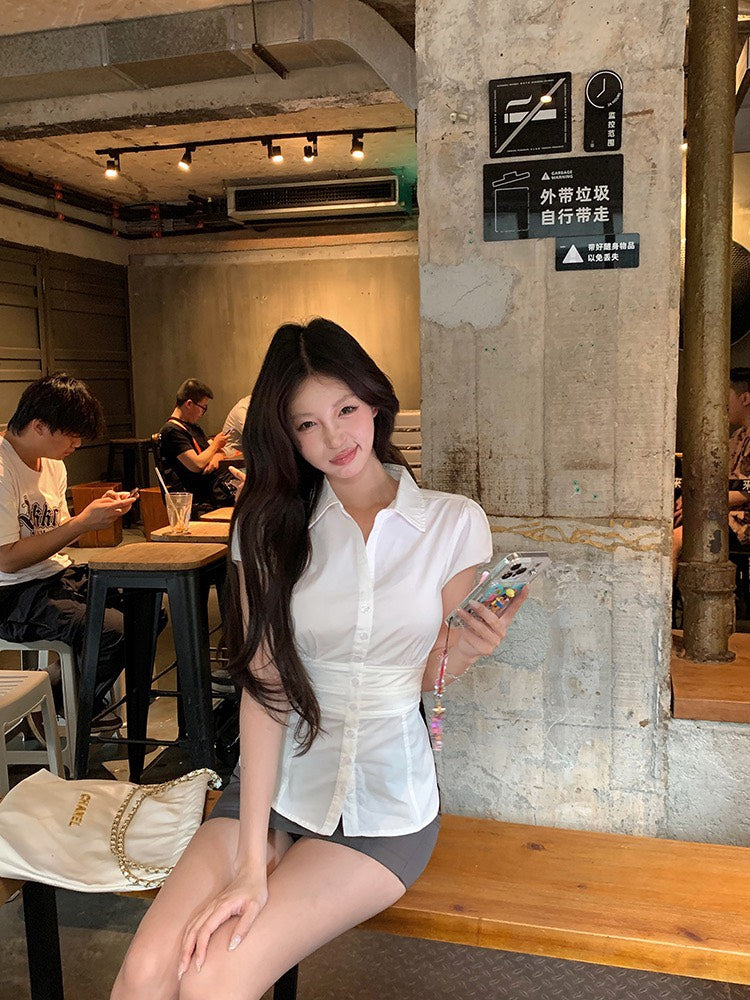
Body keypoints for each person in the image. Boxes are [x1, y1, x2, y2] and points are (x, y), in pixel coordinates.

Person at [112, 319, 526, 1000]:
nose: (335, 438)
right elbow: (265, 685)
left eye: (346, 409)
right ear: (287, 436)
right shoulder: (267, 526)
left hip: (384, 810)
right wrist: (251, 864)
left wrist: (467, 650)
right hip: (272, 790)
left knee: (214, 980)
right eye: (307, 424)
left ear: (375, 403)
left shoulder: (453, 523)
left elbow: (427, 678)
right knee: (146, 974)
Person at [0, 373, 137, 724]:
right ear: (38, 426)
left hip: (55, 575)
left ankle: (58, 693)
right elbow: (7, 560)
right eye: (72, 434)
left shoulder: (54, 464)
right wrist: (82, 523)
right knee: (113, 630)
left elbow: (56, 533)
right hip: (11, 594)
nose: (77, 444)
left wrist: (97, 514)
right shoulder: (2, 469)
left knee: (147, 604)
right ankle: (56, 707)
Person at [673, 366, 750, 577]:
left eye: (727, 396)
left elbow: (745, 491)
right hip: (722, 513)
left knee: (674, 541)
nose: (722, 403)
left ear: (745, 399)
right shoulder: (738, 437)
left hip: (741, 521)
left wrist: (698, 503)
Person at [158, 379, 231, 512]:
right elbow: (196, 464)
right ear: (189, 404)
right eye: (203, 407)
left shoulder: (193, 427)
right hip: (198, 490)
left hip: (213, 483)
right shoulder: (172, 431)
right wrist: (216, 444)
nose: (203, 413)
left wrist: (216, 457)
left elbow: (219, 451)